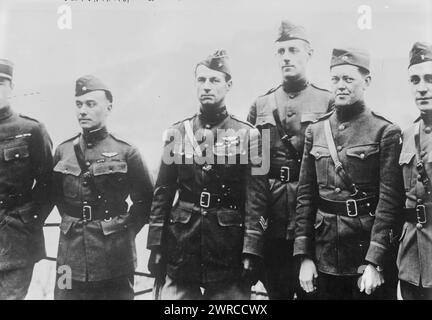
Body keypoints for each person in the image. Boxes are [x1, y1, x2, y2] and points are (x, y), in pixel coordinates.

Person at [147, 50, 268, 300]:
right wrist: (156, 244)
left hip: (227, 247)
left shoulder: (253, 136)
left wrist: (251, 250)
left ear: (228, 85)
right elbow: (163, 192)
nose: (207, 87)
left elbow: (257, 198)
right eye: (201, 80)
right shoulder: (176, 133)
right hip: (183, 243)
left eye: (214, 80)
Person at [294, 47, 403, 299]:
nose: (340, 85)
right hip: (324, 256)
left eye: (348, 79)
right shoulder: (316, 130)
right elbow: (305, 199)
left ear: (366, 82)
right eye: (335, 79)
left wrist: (375, 262)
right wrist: (305, 257)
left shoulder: (384, 131)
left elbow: (389, 204)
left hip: (365, 258)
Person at [247, 20, 332, 299]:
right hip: (272, 223)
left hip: (312, 225)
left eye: (293, 50)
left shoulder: (327, 102)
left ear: (309, 54)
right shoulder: (261, 105)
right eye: (281, 51)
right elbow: (253, 171)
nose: (286, 57)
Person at [52, 75, 153, 300]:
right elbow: (59, 199)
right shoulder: (63, 151)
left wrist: (122, 230)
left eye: (90, 104)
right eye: (78, 104)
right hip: (68, 258)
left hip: (115, 258)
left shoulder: (127, 151)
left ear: (108, 107)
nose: (83, 111)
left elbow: (146, 201)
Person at [397, 42, 432, 300]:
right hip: (411, 258)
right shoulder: (407, 135)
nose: (422, 87)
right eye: (415, 79)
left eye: (430, 78)